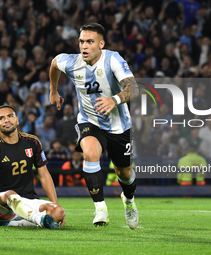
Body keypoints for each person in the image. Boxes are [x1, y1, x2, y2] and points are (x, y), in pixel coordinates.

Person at [49, 23, 139, 229]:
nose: (84, 46)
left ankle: (129, 200)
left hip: (119, 126)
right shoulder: (71, 62)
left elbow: (133, 88)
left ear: (101, 44)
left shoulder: (113, 59)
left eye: (90, 42)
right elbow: (54, 64)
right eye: (81, 41)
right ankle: (100, 208)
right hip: (90, 121)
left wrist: (114, 100)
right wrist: (53, 90)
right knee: (89, 153)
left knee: (124, 173)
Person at [0, 105, 65, 229]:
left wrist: (54, 204)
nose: (6, 120)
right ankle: (38, 220)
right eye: (1, 118)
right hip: (1, 204)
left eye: (10, 116)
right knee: (10, 194)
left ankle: (13, 223)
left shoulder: (32, 142)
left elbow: (44, 175)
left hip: (28, 199)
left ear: (17, 120)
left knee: (59, 212)